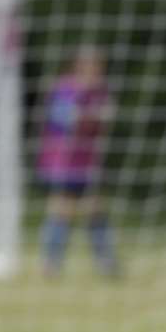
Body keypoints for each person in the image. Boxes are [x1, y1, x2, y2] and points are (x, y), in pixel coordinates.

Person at [36, 45, 118, 277]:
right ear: (79, 66)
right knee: (61, 209)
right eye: (92, 66)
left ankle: (106, 262)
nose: (96, 72)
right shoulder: (65, 89)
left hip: (88, 163)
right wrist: (87, 112)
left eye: (99, 68)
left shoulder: (100, 91)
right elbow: (61, 120)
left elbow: (107, 117)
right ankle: (50, 263)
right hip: (62, 162)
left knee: (95, 209)